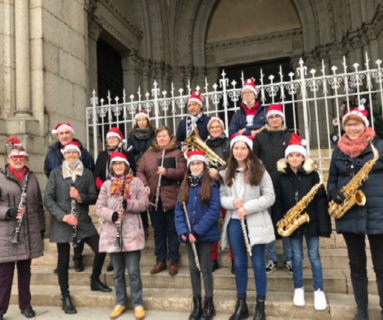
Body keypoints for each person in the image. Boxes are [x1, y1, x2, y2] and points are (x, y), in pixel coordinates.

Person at [327, 106, 383, 320]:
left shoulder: (378, 147)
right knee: (357, 265)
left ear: (365, 125)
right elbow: (331, 179)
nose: (352, 128)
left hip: (377, 210)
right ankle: (362, 310)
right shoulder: (338, 151)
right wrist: (333, 192)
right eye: (348, 124)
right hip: (350, 211)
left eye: (356, 124)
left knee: (381, 265)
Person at [44, 141, 111, 315]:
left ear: (78, 154)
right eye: (68, 153)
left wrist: (80, 197)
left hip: (82, 221)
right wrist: (63, 216)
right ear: (64, 155)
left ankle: (95, 280)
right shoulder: (55, 173)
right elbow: (48, 199)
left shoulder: (87, 173)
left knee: (101, 248)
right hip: (62, 222)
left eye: (74, 153)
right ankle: (65, 296)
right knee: (63, 261)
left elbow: (94, 197)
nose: (71, 155)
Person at [220, 135, 275, 320]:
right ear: (232, 151)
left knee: (259, 264)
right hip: (235, 222)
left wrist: (247, 207)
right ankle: (241, 304)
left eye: (243, 148)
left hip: (255, 221)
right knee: (240, 264)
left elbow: (269, 197)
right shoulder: (227, 171)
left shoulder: (259, 169)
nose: (239, 151)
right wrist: (231, 202)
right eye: (236, 148)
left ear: (249, 150)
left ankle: (260, 305)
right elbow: (221, 197)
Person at [273, 133, 330, 310]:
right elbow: (278, 201)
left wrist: (323, 225)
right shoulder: (280, 177)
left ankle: (318, 290)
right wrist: (280, 221)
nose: (294, 158)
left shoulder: (313, 176)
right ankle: (298, 288)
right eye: (291, 155)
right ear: (287, 158)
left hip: (310, 221)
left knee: (314, 256)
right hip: (292, 224)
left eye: (298, 155)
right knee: (296, 257)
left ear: (303, 157)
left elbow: (321, 200)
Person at [95, 151, 149, 320]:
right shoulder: (106, 185)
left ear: (126, 165)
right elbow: (99, 206)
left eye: (121, 164)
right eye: (115, 164)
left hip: (132, 232)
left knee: (133, 271)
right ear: (112, 167)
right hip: (113, 232)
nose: (118, 167)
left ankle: (138, 302)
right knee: (118, 272)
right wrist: (111, 215)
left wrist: (129, 204)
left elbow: (144, 203)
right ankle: (120, 301)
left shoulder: (136, 182)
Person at [0, 137, 45, 320]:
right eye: (14, 157)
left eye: (21, 156)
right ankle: (1, 309)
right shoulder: (1, 178)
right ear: (8, 159)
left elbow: (39, 205)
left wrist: (41, 228)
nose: (18, 159)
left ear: (26, 158)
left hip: (28, 233)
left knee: (25, 274)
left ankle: (25, 305)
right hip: (7, 235)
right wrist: (9, 211)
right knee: (4, 277)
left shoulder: (32, 177)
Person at [175, 151, 221, 320]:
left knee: (205, 269)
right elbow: (179, 210)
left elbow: (214, 210)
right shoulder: (184, 185)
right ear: (189, 167)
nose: (195, 166)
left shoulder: (211, 184)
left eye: (198, 163)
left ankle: (209, 304)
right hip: (188, 235)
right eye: (192, 164)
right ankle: (197, 304)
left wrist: (197, 231)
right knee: (193, 269)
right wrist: (183, 231)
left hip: (205, 234)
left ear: (204, 165)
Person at [44, 122, 95, 273]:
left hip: (77, 196)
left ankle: (78, 258)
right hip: (60, 193)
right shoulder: (51, 152)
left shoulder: (83, 152)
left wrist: (80, 192)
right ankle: (63, 263)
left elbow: (89, 170)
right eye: (61, 133)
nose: (64, 136)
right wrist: (60, 184)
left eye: (67, 133)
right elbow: (47, 170)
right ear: (57, 135)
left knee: (78, 230)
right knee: (63, 238)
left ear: (72, 134)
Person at [137, 126, 186, 276]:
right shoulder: (148, 155)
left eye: (164, 136)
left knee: (172, 231)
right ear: (156, 139)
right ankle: (160, 260)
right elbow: (139, 171)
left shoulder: (178, 154)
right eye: (159, 137)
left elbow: (183, 172)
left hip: (172, 200)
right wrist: (144, 185)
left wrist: (167, 172)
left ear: (170, 138)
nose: (162, 139)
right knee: (158, 232)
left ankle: (173, 260)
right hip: (154, 200)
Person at [253, 104, 293, 273]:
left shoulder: (290, 135)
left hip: (287, 186)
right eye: (271, 117)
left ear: (282, 118)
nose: (274, 120)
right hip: (266, 187)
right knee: (267, 224)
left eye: (277, 116)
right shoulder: (260, 137)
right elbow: (254, 160)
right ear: (267, 119)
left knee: (287, 222)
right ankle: (271, 259)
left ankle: (289, 258)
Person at [93, 127, 136, 272]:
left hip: (124, 192)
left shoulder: (127, 154)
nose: (111, 140)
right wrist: (103, 186)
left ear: (119, 140)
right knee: (111, 228)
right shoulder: (102, 154)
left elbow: (132, 172)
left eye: (114, 138)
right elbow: (97, 173)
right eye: (109, 138)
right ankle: (114, 260)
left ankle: (126, 255)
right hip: (107, 193)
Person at [205, 117, 234, 273]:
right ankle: (212, 258)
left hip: (225, 185)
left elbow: (233, 162)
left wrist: (220, 173)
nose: (215, 129)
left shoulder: (229, 143)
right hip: (210, 186)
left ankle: (235, 259)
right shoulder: (204, 144)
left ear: (222, 128)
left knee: (229, 222)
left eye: (217, 127)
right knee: (211, 223)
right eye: (212, 127)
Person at [127, 110, 156, 238]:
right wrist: (140, 158)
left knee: (153, 196)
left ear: (147, 121)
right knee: (140, 197)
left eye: (144, 119)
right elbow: (129, 153)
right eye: (139, 120)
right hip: (138, 169)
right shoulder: (131, 136)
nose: (142, 122)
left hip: (152, 169)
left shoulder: (154, 134)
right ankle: (144, 225)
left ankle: (155, 225)